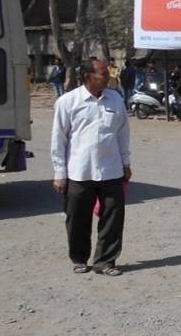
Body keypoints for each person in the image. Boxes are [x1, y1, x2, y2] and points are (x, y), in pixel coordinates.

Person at [50, 59, 131, 276]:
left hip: (111, 169)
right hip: (79, 170)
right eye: (103, 74)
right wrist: (60, 173)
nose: (108, 77)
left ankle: (106, 261)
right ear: (88, 77)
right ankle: (79, 258)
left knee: (113, 216)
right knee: (77, 216)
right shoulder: (68, 102)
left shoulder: (115, 99)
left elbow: (123, 134)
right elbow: (59, 139)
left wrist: (126, 163)